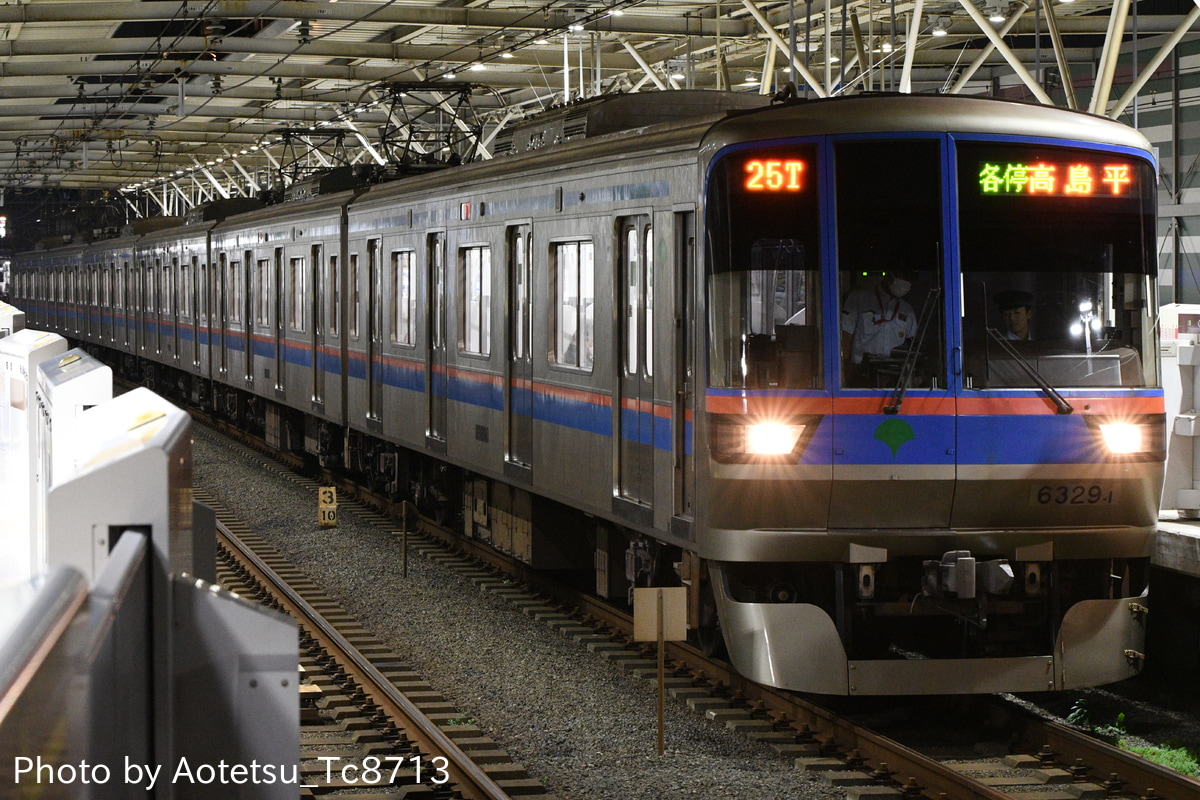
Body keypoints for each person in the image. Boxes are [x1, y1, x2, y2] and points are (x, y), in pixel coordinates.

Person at [841, 270, 917, 384]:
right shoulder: (858, 299)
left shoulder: (907, 310)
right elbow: (845, 339)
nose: (905, 282)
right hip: (862, 375)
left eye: (908, 280)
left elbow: (912, 345)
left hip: (895, 377)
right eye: (903, 278)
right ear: (888, 276)